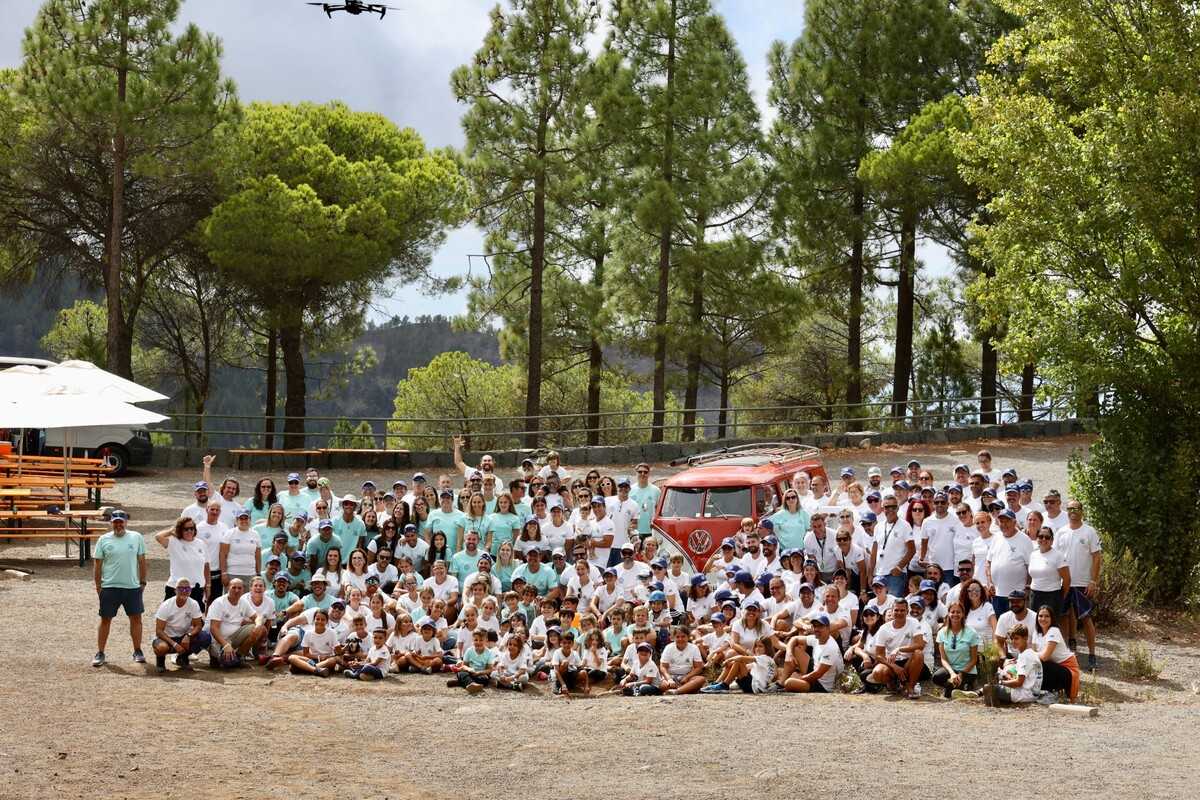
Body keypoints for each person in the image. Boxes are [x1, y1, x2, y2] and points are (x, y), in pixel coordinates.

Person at [92, 510, 148, 668]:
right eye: (115, 522)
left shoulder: (136, 537)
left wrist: (143, 582)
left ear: (126, 522)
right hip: (110, 586)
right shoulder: (103, 539)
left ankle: (137, 650)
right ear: (111, 523)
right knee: (105, 619)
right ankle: (100, 652)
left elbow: (142, 560)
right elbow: (98, 564)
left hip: (132, 587)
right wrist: (98, 585)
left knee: (136, 619)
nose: (118, 525)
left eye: (121, 522)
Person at [1057, 499, 1103, 670]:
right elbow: (1056, 556)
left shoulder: (1089, 531)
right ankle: (1066, 654)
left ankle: (1092, 656)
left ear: (1082, 511)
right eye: (1070, 509)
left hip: (1082, 582)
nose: (1073, 511)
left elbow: (1097, 557)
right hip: (1064, 582)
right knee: (1063, 616)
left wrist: (1093, 581)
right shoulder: (1061, 532)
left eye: (1076, 508)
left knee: (1085, 617)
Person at [866, 596, 927, 699]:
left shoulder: (914, 622)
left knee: (918, 654)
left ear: (907, 611)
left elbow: (920, 645)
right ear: (892, 610)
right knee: (877, 672)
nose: (899, 613)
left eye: (902, 610)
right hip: (892, 662)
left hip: (908, 661)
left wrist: (899, 649)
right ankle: (893, 685)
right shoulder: (884, 628)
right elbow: (879, 655)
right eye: (896, 610)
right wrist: (894, 667)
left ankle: (910, 687)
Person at [206, 578, 265, 668]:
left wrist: (258, 625)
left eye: (239, 588)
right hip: (217, 640)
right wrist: (225, 645)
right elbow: (213, 628)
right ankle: (216, 656)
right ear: (228, 588)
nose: (237, 590)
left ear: (243, 590)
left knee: (259, 628)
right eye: (234, 587)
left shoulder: (243, 602)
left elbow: (257, 616)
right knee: (227, 664)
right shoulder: (219, 603)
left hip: (234, 638)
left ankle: (239, 656)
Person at [154, 517, 211, 611]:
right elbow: (158, 537)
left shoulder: (201, 544)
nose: (189, 531)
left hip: (196, 588)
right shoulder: (174, 542)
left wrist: (208, 585)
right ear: (180, 530)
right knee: (169, 615)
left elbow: (206, 566)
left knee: (196, 617)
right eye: (186, 529)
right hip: (176, 588)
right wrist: (171, 531)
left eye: (192, 528)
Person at [782, 614, 843, 693]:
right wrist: (789, 654)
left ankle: (785, 682)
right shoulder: (817, 638)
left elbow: (818, 674)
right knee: (795, 649)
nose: (816, 629)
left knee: (789, 683)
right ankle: (781, 682)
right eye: (815, 626)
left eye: (820, 626)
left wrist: (800, 678)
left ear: (828, 628)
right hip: (814, 670)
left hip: (822, 685)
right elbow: (794, 639)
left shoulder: (830, 647)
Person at [985, 623, 1042, 707]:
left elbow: (1019, 682)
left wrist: (1001, 682)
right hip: (1032, 693)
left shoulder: (1024, 656)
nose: (1013, 642)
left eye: (1016, 638)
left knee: (988, 688)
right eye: (1012, 639)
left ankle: (995, 706)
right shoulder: (1031, 653)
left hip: (1024, 695)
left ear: (1025, 638)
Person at [931, 602, 980, 699]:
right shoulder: (942, 633)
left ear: (963, 614)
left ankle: (963, 686)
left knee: (949, 693)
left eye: (958, 612)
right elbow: (943, 659)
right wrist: (952, 673)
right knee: (936, 677)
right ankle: (961, 687)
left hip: (967, 671)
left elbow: (974, 660)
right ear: (948, 614)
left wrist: (961, 674)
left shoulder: (972, 633)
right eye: (952, 612)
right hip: (951, 670)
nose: (955, 614)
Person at [1032, 605, 1081, 702]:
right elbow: (1034, 653)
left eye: (1047, 616)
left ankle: (1053, 692)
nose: (1043, 619)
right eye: (1040, 616)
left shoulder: (1054, 631)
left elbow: (1045, 657)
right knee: (1034, 664)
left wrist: (1029, 654)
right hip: (1054, 667)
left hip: (1068, 669)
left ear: (1052, 619)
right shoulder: (1036, 632)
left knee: (1041, 664)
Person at [1029, 525, 1071, 625]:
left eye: (1047, 537)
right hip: (1035, 595)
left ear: (1052, 540)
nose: (1043, 539)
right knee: (1035, 625)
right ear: (1037, 538)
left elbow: (1067, 579)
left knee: (1051, 626)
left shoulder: (1058, 556)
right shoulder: (1033, 555)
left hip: (1052, 596)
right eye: (1041, 536)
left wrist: (1060, 597)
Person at [220, 507, 262, 590]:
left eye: (246, 518)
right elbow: (222, 554)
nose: (243, 521)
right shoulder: (230, 533)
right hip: (232, 573)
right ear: (236, 520)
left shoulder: (255, 534)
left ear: (250, 520)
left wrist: (258, 574)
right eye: (241, 518)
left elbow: (258, 556)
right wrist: (224, 573)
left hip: (250, 574)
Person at [628, 463, 661, 540]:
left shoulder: (656, 491)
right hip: (633, 531)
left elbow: (659, 511)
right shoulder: (629, 490)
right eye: (640, 472)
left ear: (649, 474)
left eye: (645, 472)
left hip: (650, 530)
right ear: (636, 473)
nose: (642, 474)